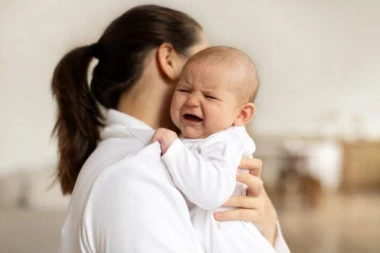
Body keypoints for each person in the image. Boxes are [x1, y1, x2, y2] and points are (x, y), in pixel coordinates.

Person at [51, 4, 289, 253]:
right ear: (168, 59)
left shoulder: (149, 160)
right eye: (201, 57)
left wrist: (267, 225)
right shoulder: (136, 174)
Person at [152, 46, 279, 253]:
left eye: (209, 97)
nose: (192, 101)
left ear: (242, 115)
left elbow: (211, 193)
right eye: (184, 90)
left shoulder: (226, 142)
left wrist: (174, 150)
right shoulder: (203, 138)